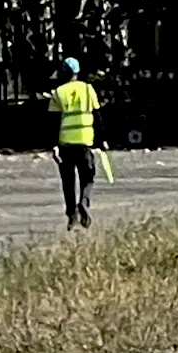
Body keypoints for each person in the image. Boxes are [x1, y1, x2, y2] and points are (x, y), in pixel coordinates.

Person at [50, 57, 104, 229]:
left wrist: (54, 145)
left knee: (68, 182)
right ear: (78, 72)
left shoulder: (58, 92)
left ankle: (72, 215)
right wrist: (101, 141)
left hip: (65, 143)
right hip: (85, 142)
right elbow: (98, 117)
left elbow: (52, 122)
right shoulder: (88, 90)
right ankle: (84, 204)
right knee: (87, 178)